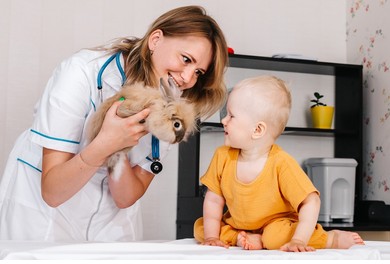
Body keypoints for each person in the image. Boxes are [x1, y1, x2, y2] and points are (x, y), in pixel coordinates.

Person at [0, 5, 228, 242]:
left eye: (199, 72)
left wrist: (117, 151)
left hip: (110, 224)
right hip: (45, 218)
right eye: (186, 59)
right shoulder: (81, 72)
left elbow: (124, 198)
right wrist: (106, 143)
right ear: (156, 40)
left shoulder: (170, 107)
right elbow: (52, 192)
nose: (188, 78)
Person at [193, 75, 365, 252]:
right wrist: (212, 237)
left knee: (274, 238)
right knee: (201, 227)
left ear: (257, 130)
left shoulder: (281, 162)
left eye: (231, 115)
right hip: (238, 224)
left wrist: (298, 240)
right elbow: (213, 201)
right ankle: (243, 238)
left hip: (277, 224)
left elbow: (311, 201)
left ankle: (330, 238)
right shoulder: (222, 156)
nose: (223, 121)